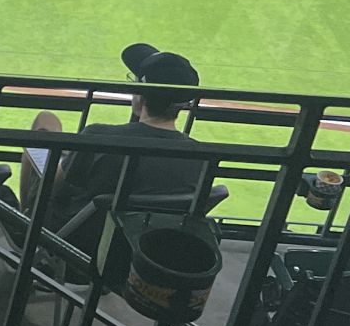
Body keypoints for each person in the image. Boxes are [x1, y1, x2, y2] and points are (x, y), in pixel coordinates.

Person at [26, 43, 215, 245]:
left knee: (44, 125)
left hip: (76, 241)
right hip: (143, 249)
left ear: (140, 95)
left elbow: (53, 185)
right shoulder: (200, 157)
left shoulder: (99, 136)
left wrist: (68, 155)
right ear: (184, 104)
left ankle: (25, 231)